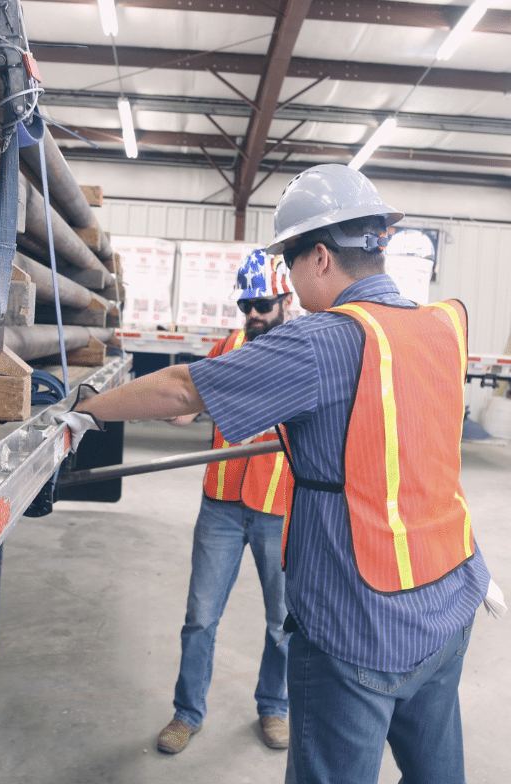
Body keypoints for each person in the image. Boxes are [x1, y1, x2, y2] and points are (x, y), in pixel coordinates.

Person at [63, 164, 491, 784]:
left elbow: (185, 388)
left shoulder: (325, 341)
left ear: (319, 257)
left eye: (288, 266)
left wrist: (82, 413)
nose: (285, 284)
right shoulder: (445, 325)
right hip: (449, 601)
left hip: (362, 624)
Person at [155, 249, 294, 754]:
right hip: (220, 502)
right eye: (246, 306)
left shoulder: (303, 348)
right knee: (200, 617)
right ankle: (186, 713)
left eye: (261, 304)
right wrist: (162, 406)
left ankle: (274, 707)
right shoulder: (231, 344)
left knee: (283, 621)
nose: (253, 315)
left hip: (279, 506)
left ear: (284, 299)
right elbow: (190, 405)